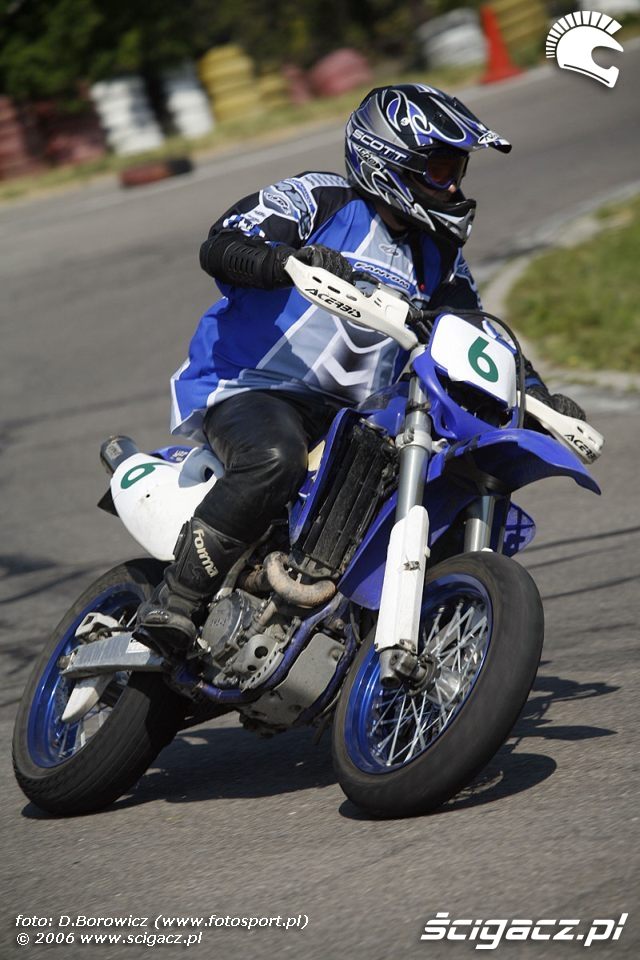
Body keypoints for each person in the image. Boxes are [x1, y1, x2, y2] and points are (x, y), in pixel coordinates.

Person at [136, 83, 585, 657]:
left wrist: (537, 394)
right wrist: (286, 259)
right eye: (440, 169)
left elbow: (479, 335)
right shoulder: (320, 199)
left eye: (456, 171)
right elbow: (223, 243)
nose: (453, 187)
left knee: (425, 482)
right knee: (274, 459)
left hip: (354, 418)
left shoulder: (438, 256)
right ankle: (176, 599)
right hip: (253, 387)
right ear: (390, 162)